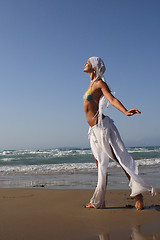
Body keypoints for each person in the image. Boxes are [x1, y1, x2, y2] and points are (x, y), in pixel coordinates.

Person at [83, 56, 154, 209]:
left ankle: (138, 195)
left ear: (94, 67)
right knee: (100, 165)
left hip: (103, 128)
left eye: (88, 62)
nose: (85, 63)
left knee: (121, 160)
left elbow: (112, 99)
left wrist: (126, 112)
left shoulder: (100, 83)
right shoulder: (91, 83)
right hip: (93, 131)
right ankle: (99, 201)